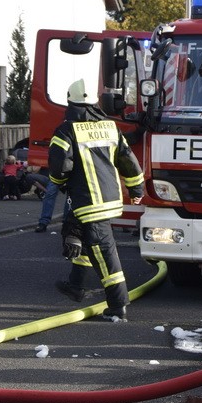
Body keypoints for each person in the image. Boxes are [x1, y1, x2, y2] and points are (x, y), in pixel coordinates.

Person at [48, 79, 144, 321]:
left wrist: (60, 185)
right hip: (109, 199)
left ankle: (118, 304)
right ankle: (75, 286)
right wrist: (136, 189)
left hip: (86, 201)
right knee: (81, 239)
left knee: (104, 252)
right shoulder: (111, 127)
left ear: (71, 102)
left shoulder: (67, 130)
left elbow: (60, 167)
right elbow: (128, 160)